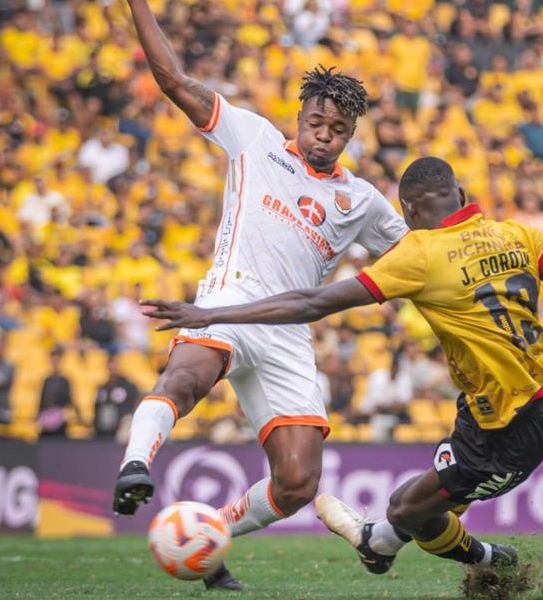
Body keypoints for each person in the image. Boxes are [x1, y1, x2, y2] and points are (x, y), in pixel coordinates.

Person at [143, 157, 543, 577]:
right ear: (461, 191)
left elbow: (313, 303)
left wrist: (210, 312)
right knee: (416, 512)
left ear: (410, 210)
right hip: (496, 406)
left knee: (407, 510)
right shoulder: (516, 233)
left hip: (515, 429)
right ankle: (396, 545)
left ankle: (475, 560)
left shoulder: (419, 253)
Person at [116, 0, 407, 590]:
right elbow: (172, 79)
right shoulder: (253, 138)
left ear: (351, 135)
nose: (324, 138)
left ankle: (212, 534)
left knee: (298, 484)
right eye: (316, 125)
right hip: (227, 299)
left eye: (338, 132)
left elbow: (419, 257)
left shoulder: (363, 201)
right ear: (300, 117)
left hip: (288, 332)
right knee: (184, 379)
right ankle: (134, 466)